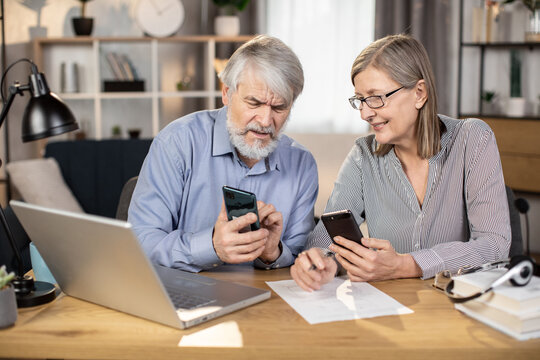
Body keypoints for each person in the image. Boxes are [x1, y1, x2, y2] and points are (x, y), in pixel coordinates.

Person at [291, 34, 510, 291]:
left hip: (457, 307)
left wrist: (407, 265)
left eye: (375, 97)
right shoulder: (364, 156)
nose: (365, 113)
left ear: (419, 93)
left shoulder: (472, 139)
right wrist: (324, 262)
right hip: (390, 311)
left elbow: (495, 244)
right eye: (360, 99)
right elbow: (322, 240)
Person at [129, 35, 318, 273]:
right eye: (254, 102)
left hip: (269, 303)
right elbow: (141, 240)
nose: (265, 120)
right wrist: (211, 246)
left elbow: (301, 257)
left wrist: (273, 253)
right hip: (185, 297)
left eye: (279, 107)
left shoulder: (302, 164)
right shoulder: (177, 142)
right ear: (227, 93)